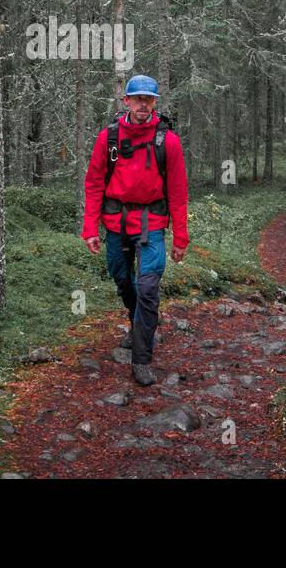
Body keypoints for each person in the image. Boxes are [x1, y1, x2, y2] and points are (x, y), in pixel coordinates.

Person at [81, 74, 190, 385]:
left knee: (148, 288)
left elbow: (179, 193)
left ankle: (142, 359)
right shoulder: (109, 138)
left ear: (155, 103)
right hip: (116, 224)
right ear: (126, 101)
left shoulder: (167, 141)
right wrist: (90, 228)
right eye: (137, 98)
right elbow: (94, 184)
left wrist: (180, 237)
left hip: (152, 224)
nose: (143, 104)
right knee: (123, 281)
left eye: (149, 99)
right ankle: (137, 324)